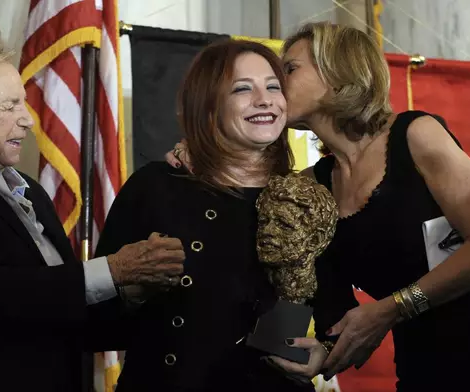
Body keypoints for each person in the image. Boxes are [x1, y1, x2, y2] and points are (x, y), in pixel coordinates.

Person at [167, 22, 470, 392]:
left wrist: (390, 309)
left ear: (337, 70)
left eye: (289, 69)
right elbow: (327, 308)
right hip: (424, 361)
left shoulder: (416, 134)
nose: (277, 82)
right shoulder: (308, 188)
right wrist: (322, 353)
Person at [0, 26, 185, 392]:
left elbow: (60, 310)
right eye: (10, 104)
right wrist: (113, 269)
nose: (28, 118)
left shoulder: (30, 191)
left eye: (24, 102)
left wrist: (129, 291)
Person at [94, 39, 319, 392]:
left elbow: (327, 311)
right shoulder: (155, 185)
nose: (264, 99)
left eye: (273, 87)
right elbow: (97, 323)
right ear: (209, 106)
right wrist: (135, 288)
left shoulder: (305, 197)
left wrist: (325, 351)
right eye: (243, 89)